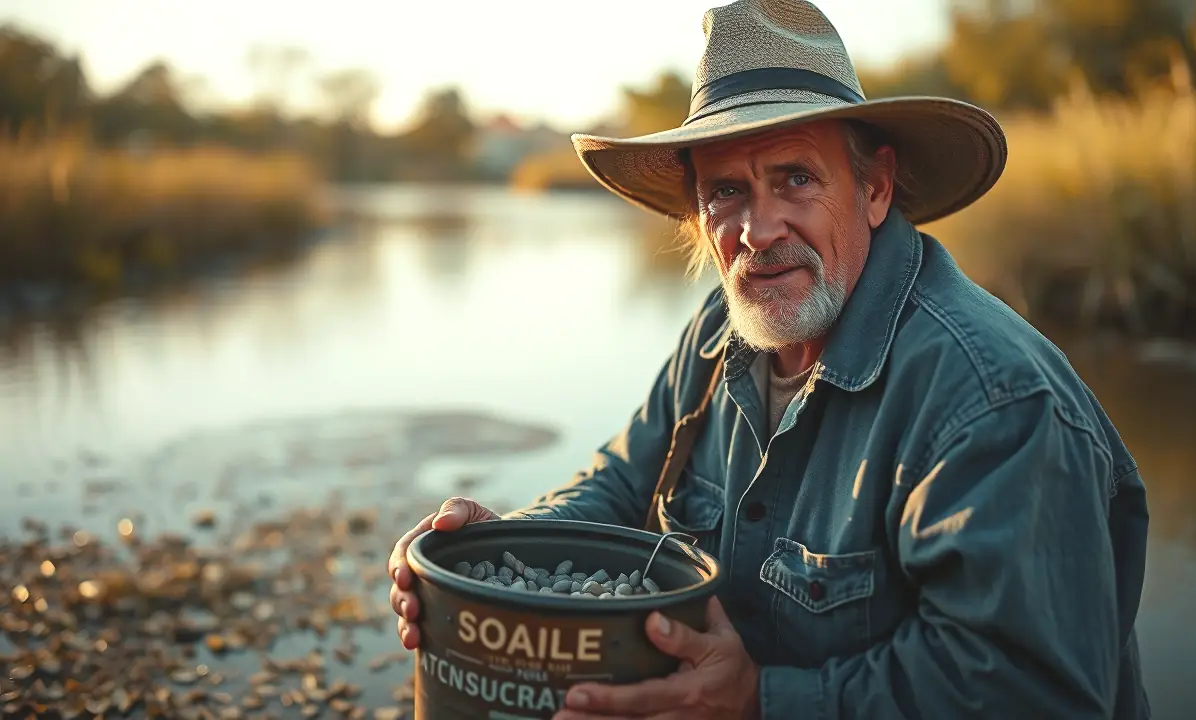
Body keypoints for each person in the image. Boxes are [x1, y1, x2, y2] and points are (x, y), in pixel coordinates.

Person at [386, 0, 1151, 718]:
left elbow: (1027, 690)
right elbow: (624, 485)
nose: (758, 230)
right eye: (725, 191)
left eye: (795, 178)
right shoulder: (722, 331)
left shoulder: (992, 402)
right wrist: (501, 554)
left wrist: (760, 700)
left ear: (875, 187)